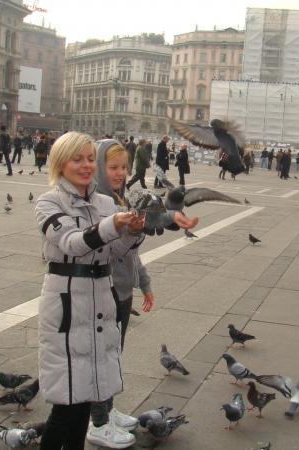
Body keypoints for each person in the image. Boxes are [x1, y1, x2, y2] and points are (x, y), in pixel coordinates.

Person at [35, 132, 197, 450]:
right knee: (66, 404)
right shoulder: (48, 202)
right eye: (76, 159)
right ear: (60, 163)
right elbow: (72, 243)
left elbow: (114, 252)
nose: (85, 165)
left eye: (88, 159)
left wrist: (135, 231)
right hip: (68, 303)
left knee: (85, 399)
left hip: (99, 301)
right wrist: (113, 225)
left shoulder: (106, 202)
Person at [88, 139, 156, 448]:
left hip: (124, 289)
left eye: (124, 167)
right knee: (103, 357)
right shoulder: (99, 204)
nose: (119, 172)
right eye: (113, 167)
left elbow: (132, 252)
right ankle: (97, 422)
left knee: (114, 355)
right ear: (99, 167)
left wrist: (144, 282)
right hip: (107, 290)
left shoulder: (121, 198)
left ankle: (109, 410)